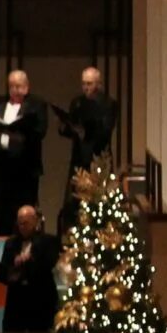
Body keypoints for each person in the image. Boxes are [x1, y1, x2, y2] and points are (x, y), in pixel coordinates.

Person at [0, 69, 46, 236]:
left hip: (25, 168)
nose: (15, 90)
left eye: (18, 86)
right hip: (0, 166)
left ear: (27, 87)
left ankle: (25, 246)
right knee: (1, 212)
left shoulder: (36, 104)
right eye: (11, 86)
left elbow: (40, 131)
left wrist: (19, 135)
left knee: (25, 212)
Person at [57, 66, 117, 227]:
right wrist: (66, 127)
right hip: (79, 158)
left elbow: (106, 130)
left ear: (99, 84)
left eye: (90, 84)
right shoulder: (77, 102)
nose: (86, 87)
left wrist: (86, 132)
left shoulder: (108, 103)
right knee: (75, 203)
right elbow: (70, 128)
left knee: (99, 204)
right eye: (84, 84)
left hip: (98, 159)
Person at [0, 204, 61, 331]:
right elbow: (3, 271)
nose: (22, 227)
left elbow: (49, 263)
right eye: (20, 224)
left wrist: (29, 260)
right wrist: (15, 265)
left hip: (40, 299)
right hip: (16, 301)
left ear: (35, 221)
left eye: (25, 223)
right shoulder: (11, 243)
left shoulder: (49, 241)